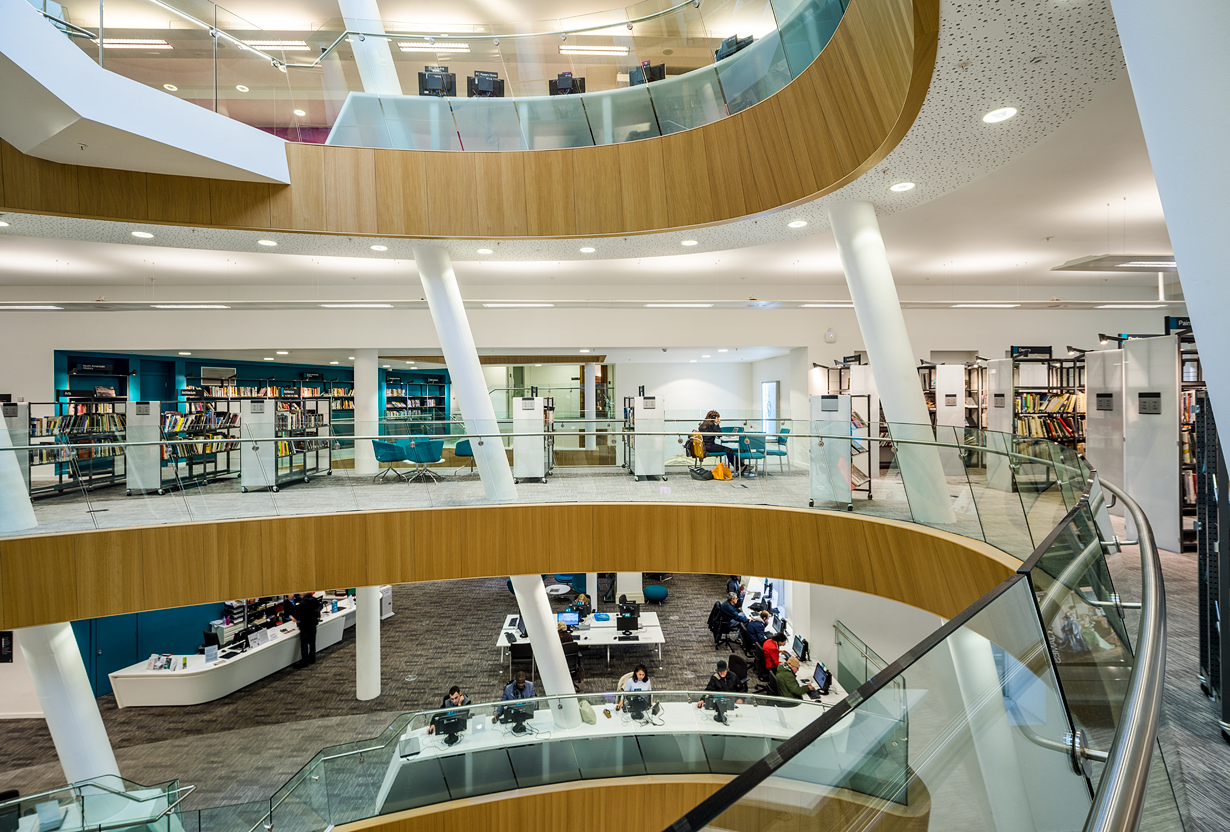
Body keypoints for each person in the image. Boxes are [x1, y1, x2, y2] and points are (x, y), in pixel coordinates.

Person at [290, 592, 323, 668]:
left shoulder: (302, 604)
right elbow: (318, 608)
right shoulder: (314, 600)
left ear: (301, 595)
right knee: (312, 643)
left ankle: (304, 662)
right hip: (313, 624)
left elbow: (297, 616)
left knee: (304, 645)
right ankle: (312, 659)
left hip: (305, 626)